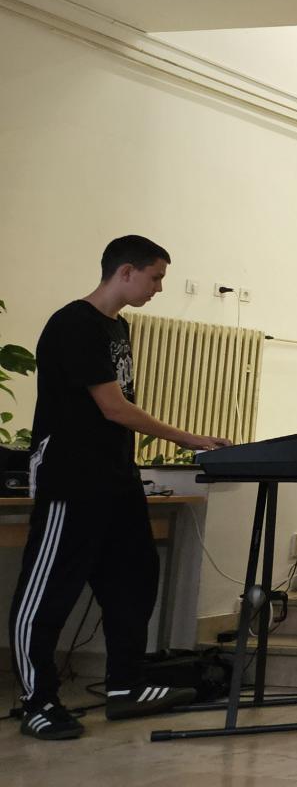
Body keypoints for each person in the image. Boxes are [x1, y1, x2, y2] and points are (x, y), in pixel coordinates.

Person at [10, 236, 230, 740]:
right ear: (126, 271)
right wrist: (190, 439)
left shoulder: (118, 327)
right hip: (72, 479)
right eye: (155, 277)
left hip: (116, 477)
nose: (159, 288)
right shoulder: (74, 324)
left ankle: (126, 686)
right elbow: (113, 407)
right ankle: (38, 701)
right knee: (47, 593)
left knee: (134, 577)